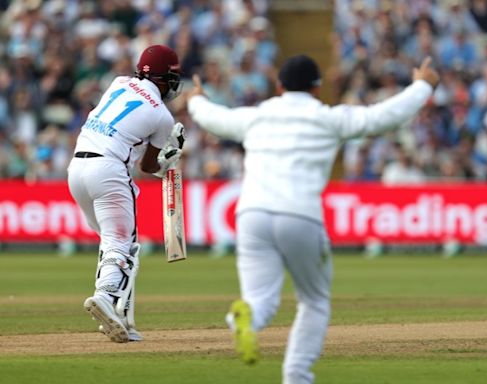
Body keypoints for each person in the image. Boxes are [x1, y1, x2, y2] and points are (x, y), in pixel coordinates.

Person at [186, 54, 439, 383]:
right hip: (300, 215)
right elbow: (384, 117)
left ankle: (243, 320)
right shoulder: (328, 118)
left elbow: (214, 119)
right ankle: (296, 376)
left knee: (258, 300)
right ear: (318, 89)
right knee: (315, 301)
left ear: (279, 87)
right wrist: (422, 86)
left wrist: (196, 100)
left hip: (252, 215)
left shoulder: (258, 116)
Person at [67, 45, 184, 343]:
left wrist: (162, 154)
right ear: (163, 78)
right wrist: (169, 157)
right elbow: (148, 166)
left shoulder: (119, 82)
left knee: (113, 245)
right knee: (122, 245)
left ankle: (121, 320)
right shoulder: (162, 116)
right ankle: (105, 297)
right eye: (172, 77)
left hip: (77, 168)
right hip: (108, 171)